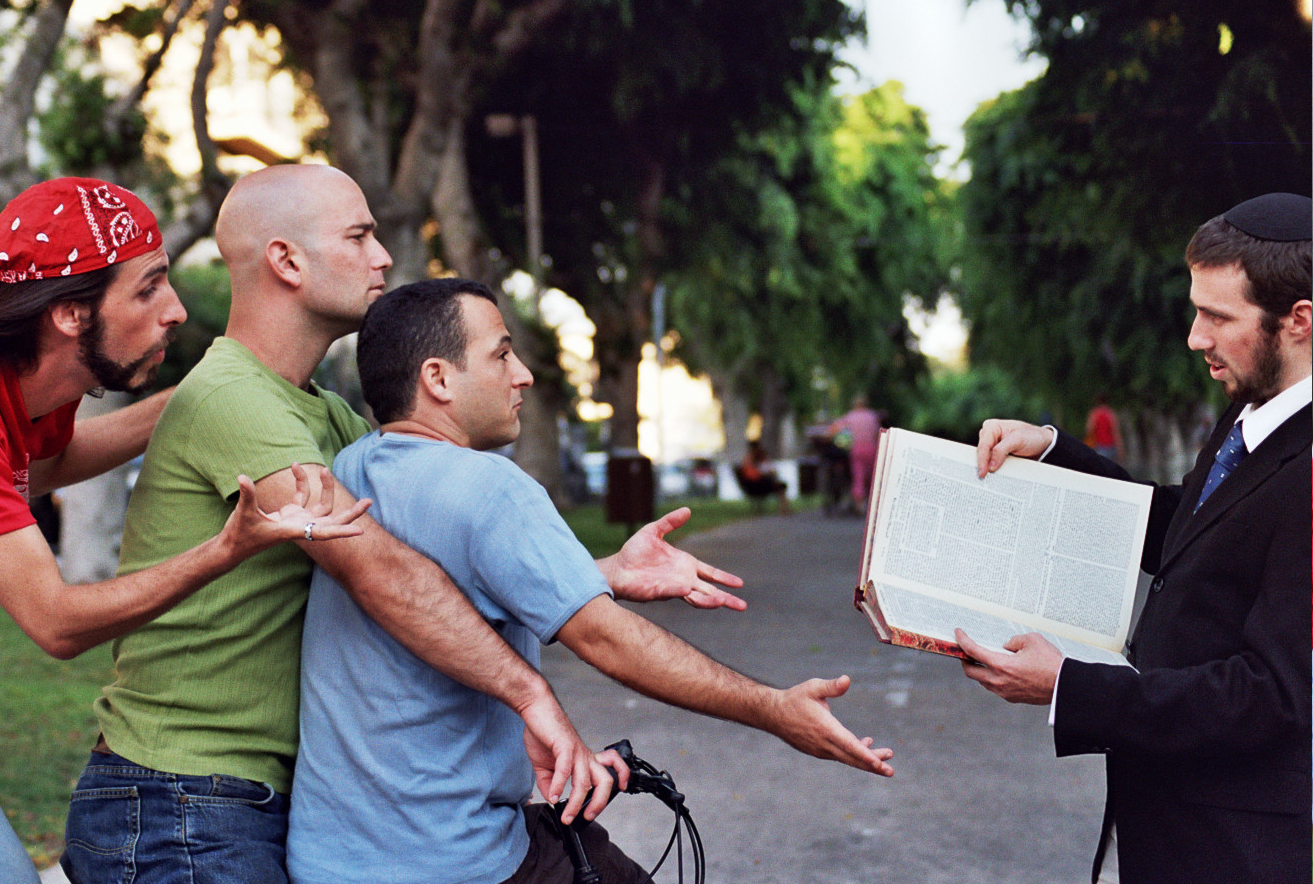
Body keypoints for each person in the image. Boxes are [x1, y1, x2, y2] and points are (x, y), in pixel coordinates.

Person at [63, 164, 744, 883]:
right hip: (179, 801)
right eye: (359, 237)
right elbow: (381, 571)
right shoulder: (234, 399)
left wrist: (591, 576)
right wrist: (529, 694)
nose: (383, 257)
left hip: (240, 801)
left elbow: (430, 563)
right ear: (286, 261)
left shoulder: (326, 417)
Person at [0, 178, 360, 884]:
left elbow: (45, 467)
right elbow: (56, 624)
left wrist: (199, 397)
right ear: (69, 315)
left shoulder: (21, 365)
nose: (175, 310)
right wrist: (225, 550)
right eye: (148, 289)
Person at [285, 278, 895, 884]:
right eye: (502, 355)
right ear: (438, 379)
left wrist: (597, 574)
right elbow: (607, 640)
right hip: (452, 860)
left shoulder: (349, 469)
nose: (523, 375)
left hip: (329, 859)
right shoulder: (493, 489)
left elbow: (438, 588)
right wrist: (774, 710)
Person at [958, 192, 1311, 884]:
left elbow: (1272, 697)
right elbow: (1191, 530)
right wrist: (1052, 453)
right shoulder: (1254, 408)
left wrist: (1072, 687)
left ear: (1299, 320)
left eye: (1218, 317)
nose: (1195, 338)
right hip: (1175, 825)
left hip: (1245, 853)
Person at [828, 394, 881, 515]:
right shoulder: (872, 416)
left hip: (857, 449)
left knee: (858, 476)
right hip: (872, 449)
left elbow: (834, 429)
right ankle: (871, 503)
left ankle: (859, 505)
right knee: (871, 476)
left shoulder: (850, 416)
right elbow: (877, 433)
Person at [735, 438, 790, 512]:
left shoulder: (756, 459)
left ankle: (784, 508)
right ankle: (784, 508)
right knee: (778, 485)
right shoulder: (749, 461)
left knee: (779, 484)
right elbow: (753, 475)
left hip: (759, 483)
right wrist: (765, 473)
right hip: (755, 485)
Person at [1084, 395, 1122, 463]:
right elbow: (1116, 433)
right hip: (1111, 447)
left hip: (1099, 446)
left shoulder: (1094, 414)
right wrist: (1120, 448)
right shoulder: (1111, 414)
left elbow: (1089, 430)